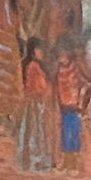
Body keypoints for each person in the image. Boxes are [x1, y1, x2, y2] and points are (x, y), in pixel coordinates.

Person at [17, 39, 58, 170]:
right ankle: (36, 160)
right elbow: (37, 86)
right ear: (33, 51)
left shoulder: (36, 66)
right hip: (35, 102)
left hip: (37, 102)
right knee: (36, 130)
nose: (41, 52)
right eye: (38, 50)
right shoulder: (33, 66)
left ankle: (35, 159)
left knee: (37, 131)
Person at [54, 35, 90, 171]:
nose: (60, 58)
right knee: (65, 134)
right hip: (64, 106)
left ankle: (74, 162)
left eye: (62, 55)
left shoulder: (76, 68)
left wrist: (81, 102)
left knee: (73, 133)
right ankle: (66, 161)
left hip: (74, 107)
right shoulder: (59, 70)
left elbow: (86, 84)